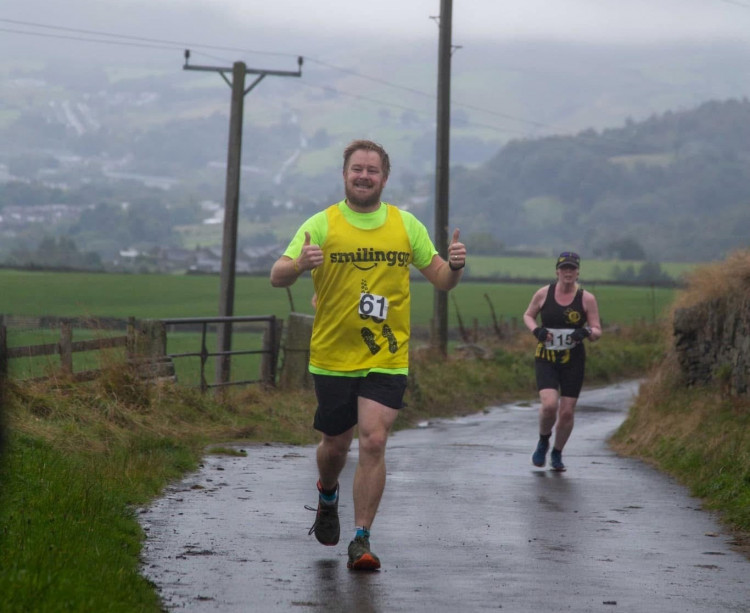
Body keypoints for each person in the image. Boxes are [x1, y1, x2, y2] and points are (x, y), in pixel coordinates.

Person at [270, 139, 467, 570]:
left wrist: (454, 266)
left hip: (387, 356)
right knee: (335, 445)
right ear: (344, 175)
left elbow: (441, 280)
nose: (363, 176)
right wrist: (300, 264)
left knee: (374, 441)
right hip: (333, 357)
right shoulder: (322, 224)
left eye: (372, 170)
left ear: (384, 177)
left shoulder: (405, 225)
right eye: (356, 169)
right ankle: (327, 492)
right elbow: (276, 275)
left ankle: (361, 540)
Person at [522, 251, 602, 472]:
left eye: (572, 269)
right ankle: (543, 440)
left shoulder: (586, 299)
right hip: (546, 357)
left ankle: (557, 453)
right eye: (564, 268)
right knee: (549, 406)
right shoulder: (543, 294)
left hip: (573, 360)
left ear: (578, 272)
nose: (568, 272)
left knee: (566, 412)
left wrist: (584, 332)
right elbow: (528, 315)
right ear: (557, 271)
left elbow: (597, 331)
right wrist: (536, 330)